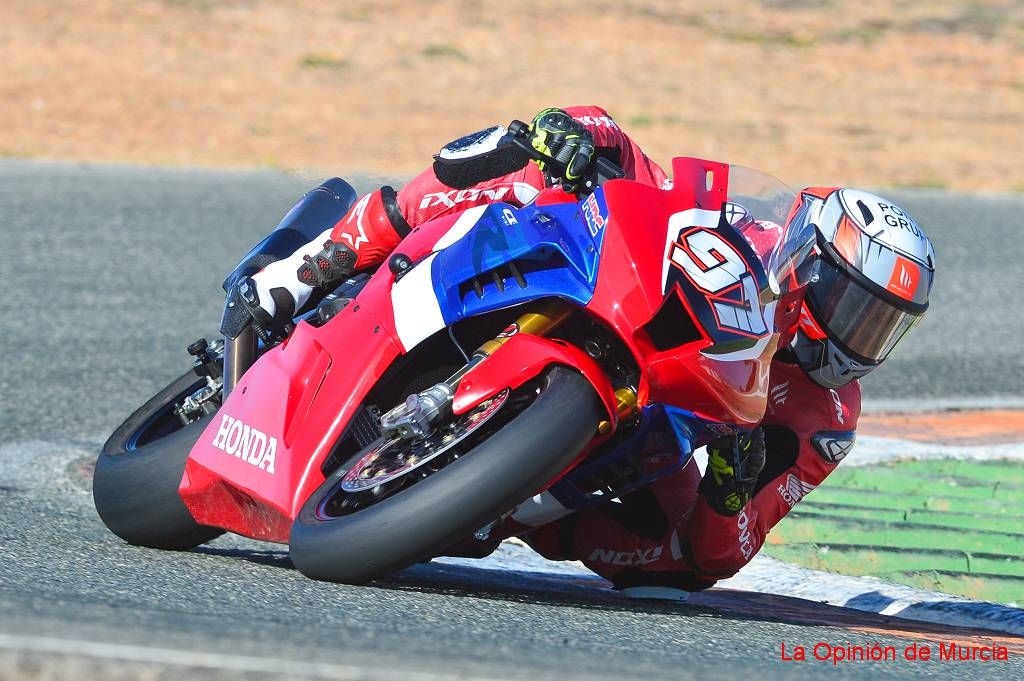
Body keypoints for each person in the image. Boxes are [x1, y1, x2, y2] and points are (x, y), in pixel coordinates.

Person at [239, 106, 936, 596]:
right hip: (602, 302)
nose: (858, 338)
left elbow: (729, 549)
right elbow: (647, 175)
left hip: (648, 427)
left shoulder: (827, 419)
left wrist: (730, 484)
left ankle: (495, 496)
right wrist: (579, 135)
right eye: (855, 309)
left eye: (882, 326)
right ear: (809, 265)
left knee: (682, 570)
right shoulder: (749, 235)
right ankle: (321, 260)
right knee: (535, 155)